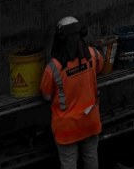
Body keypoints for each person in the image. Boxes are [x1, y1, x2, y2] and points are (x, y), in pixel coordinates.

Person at [41, 16, 104, 169]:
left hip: (67, 127)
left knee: (69, 162)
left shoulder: (53, 67)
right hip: (90, 120)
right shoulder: (93, 54)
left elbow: (46, 95)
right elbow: (100, 68)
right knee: (91, 158)